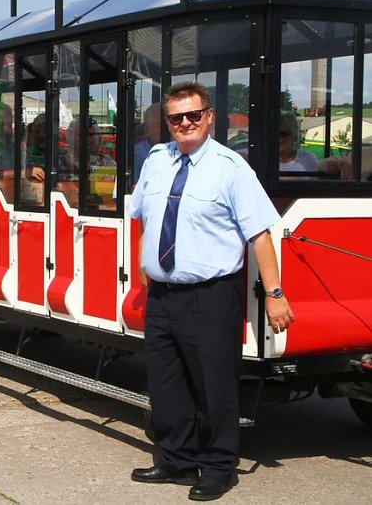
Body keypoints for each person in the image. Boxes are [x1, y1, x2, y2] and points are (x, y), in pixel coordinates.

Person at [126, 82, 294, 501]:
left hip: (212, 295)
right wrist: (144, 266)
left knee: (215, 386)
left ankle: (219, 468)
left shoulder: (230, 167)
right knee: (166, 382)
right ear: (167, 122)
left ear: (209, 117)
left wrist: (275, 294)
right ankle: (176, 460)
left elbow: (259, 235)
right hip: (163, 295)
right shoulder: (157, 160)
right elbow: (144, 216)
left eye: (193, 115)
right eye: (176, 117)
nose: (185, 123)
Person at [133, 102, 162, 184]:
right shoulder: (137, 155)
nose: (167, 129)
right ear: (146, 130)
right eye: (159, 125)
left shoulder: (180, 151)